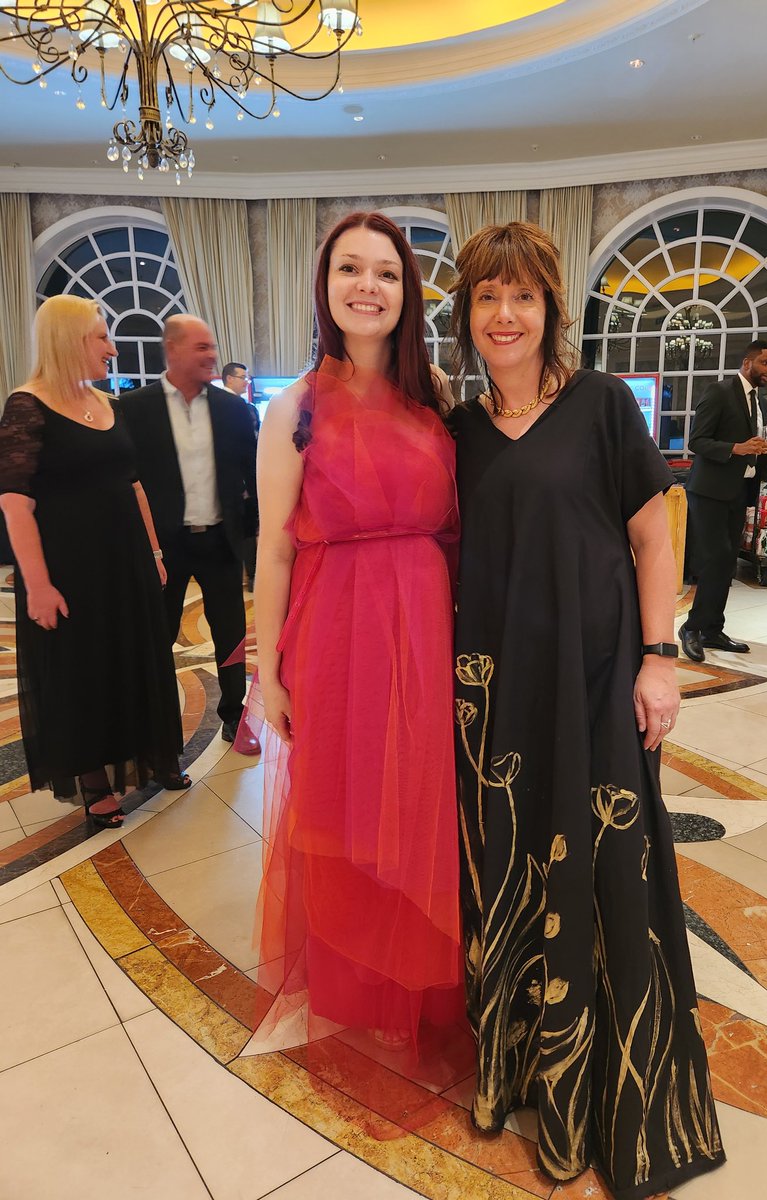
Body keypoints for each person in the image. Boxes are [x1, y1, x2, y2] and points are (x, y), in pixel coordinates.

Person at [448, 221, 725, 1197]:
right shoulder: (459, 433)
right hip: (495, 695)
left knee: (609, 866)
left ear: (551, 310)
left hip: (598, 673)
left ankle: (607, 1092)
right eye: (488, 297)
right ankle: (522, 1073)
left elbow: (655, 542)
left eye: (523, 296)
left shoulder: (603, 406)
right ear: (467, 315)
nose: (506, 315)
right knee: (512, 873)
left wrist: (660, 660)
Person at [249, 212, 466, 1054]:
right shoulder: (295, 408)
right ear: (326, 286)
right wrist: (268, 674)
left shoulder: (435, 398)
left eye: (385, 272)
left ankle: (425, 982)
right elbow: (272, 549)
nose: (367, 286)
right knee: (345, 808)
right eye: (350, 269)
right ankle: (359, 986)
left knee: (421, 805)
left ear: (407, 291)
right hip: (338, 632)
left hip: (426, 624)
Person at [0, 296, 188, 829]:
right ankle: (95, 783)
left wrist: (153, 552)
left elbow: (133, 485)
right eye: (101, 336)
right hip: (71, 569)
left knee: (138, 656)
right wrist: (36, 585)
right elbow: (14, 503)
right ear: (69, 340)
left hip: (125, 560)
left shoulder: (107, 403)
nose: (112, 346)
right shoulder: (27, 405)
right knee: (83, 672)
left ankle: (156, 756)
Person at [117, 317, 260, 753]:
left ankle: (235, 716)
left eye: (212, 346)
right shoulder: (133, 408)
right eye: (201, 347)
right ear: (172, 349)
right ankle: (158, 724)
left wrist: (253, 532)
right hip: (163, 548)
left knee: (231, 630)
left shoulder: (233, 409)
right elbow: (126, 477)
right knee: (156, 633)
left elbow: (254, 475)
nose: (211, 355)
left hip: (219, 541)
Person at [680, 341, 767, 663]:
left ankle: (713, 629)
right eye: (765, 362)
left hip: (739, 491)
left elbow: (755, 449)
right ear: (747, 361)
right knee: (714, 559)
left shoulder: (762, 405)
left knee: (727, 564)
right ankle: (692, 628)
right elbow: (697, 441)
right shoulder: (720, 392)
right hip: (709, 491)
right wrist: (736, 448)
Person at [222, 360, 260, 591]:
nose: (246, 382)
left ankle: (251, 575)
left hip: (246, 480)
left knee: (247, 530)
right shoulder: (223, 406)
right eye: (242, 377)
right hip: (234, 483)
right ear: (229, 378)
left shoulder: (247, 407)